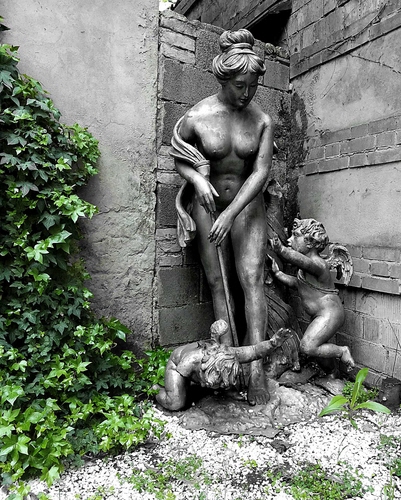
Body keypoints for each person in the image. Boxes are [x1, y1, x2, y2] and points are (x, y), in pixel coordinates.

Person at [172, 29, 275, 405]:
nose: (246, 93)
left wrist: (232, 213)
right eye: (239, 85)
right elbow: (179, 157)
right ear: (223, 78)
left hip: (246, 208)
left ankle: (256, 371)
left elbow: (261, 173)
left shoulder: (261, 120)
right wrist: (198, 179)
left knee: (252, 280)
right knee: (218, 284)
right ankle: (227, 364)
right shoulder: (197, 116)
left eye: (253, 86)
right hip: (209, 207)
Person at [269, 218, 355, 371]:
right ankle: (332, 373)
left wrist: (281, 250)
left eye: (295, 236)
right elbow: (297, 284)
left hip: (330, 314)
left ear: (309, 242)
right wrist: (278, 273)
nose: (290, 240)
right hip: (319, 315)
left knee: (307, 346)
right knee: (318, 348)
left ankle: (342, 351)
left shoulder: (317, 264)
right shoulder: (305, 270)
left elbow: (302, 261)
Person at [155, 320, 292, 411]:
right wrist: (183, 390)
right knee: (175, 403)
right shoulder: (190, 361)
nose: (222, 385)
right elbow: (182, 375)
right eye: (220, 383)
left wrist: (273, 343)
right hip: (176, 366)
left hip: (209, 371)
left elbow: (255, 351)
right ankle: (155, 389)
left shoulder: (230, 355)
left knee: (226, 378)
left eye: (223, 384)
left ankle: (219, 388)